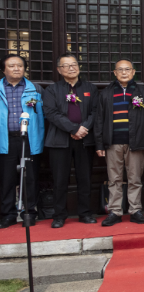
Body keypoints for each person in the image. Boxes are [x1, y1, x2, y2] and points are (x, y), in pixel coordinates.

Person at [94, 59, 144, 226]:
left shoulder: (143, 92)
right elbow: (99, 120)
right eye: (120, 70)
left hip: (136, 143)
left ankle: (135, 210)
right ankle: (115, 211)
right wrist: (99, 144)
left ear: (133, 72)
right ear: (114, 73)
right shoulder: (106, 93)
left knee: (134, 178)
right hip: (112, 143)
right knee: (114, 179)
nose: (123, 72)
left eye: (127, 69)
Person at [42, 53, 99, 228]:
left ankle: (85, 213)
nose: (72, 68)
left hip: (84, 140)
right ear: (59, 70)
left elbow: (95, 112)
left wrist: (83, 129)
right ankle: (59, 215)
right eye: (66, 65)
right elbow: (51, 113)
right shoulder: (52, 90)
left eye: (74, 64)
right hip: (59, 141)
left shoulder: (91, 88)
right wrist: (73, 128)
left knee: (84, 178)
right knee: (60, 180)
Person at [0, 54, 45, 229]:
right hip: (6, 140)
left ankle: (30, 212)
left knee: (30, 177)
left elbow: (45, 115)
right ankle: (8, 214)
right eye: (11, 66)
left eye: (20, 65)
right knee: (6, 178)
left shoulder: (36, 89)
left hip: (29, 139)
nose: (16, 68)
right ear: (4, 69)